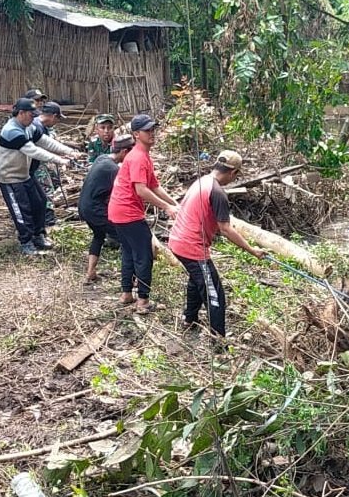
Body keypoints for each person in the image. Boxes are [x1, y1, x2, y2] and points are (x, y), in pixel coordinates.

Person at [169, 150, 266, 337]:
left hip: (177, 241)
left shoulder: (202, 181)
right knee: (215, 295)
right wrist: (252, 250)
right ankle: (218, 340)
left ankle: (189, 319)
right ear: (233, 173)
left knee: (197, 280)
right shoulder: (217, 192)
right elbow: (226, 229)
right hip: (191, 247)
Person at [107, 114, 178, 314]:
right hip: (128, 212)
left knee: (129, 251)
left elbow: (154, 185)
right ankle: (143, 301)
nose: (152, 133)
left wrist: (175, 203)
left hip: (118, 211)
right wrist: (166, 208)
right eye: (147, 131)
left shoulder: (142, 155)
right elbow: (141, 190)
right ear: (136, 134)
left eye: (153, 129)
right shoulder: (138, 157)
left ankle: (126, 294)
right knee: (144, 255)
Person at [0, 98, 80, 255]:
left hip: (24, 174)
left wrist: (68, 151)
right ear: (21, 113)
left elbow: (44, 141)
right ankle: (26, 242)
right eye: (30, 114)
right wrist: (60, 160)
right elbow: (34, 151)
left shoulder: (28, 126)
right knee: (22, 210)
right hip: (9, 178)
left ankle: (38, 235)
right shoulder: (12, 131)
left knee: (40, 202)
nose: (33, 118)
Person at [78, 133, 133, 283]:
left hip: (83, 207)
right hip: (95, 210)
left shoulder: (101, 158)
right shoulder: (113, 170)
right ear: (124, 152)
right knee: (127, 237)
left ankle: (90, 273)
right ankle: (130, 279)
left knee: (98, 235)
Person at [31, 101, 67, 226]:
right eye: (57, 118)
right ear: (52, 116)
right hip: (33, 163)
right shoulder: (36, 126)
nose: (57, 122)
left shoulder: (41, 126)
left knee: (54, 180)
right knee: (47, 188)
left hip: (40, 161)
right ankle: (47, 217)